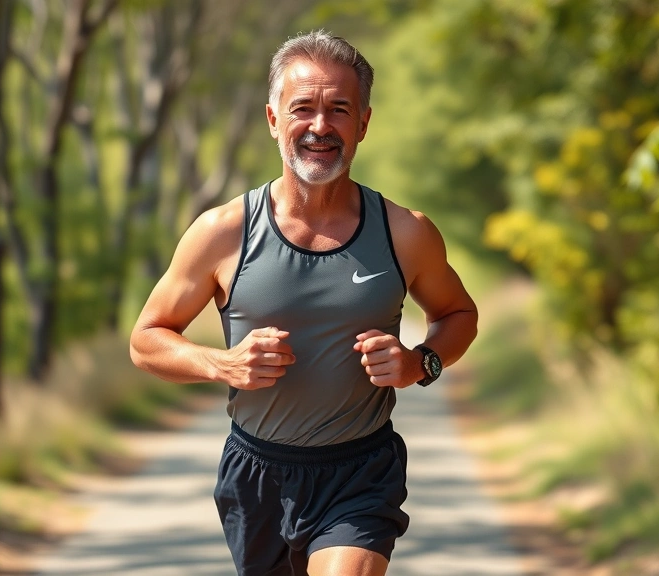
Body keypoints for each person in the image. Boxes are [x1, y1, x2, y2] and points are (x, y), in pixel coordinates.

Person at [130, 30, 478, 576]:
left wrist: (420, 363)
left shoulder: (406, 232)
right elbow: (146, 340)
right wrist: (221, 363)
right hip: (257, 475)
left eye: (339, 109)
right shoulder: (222, 232)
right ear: (273, 120)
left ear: (363, 123)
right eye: (303, 108)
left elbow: (459, 315)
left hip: (360, 470)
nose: (320, 126)